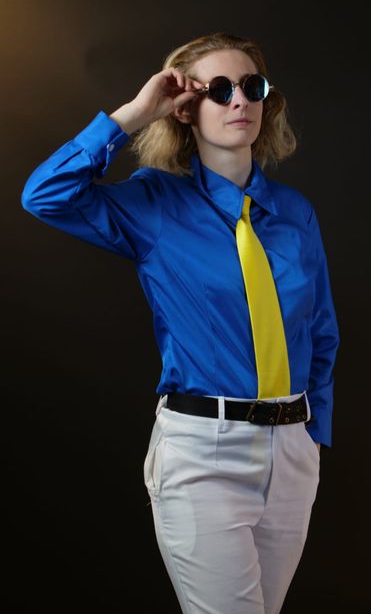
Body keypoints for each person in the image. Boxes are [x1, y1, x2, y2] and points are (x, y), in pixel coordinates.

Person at [20, 31, 340, 614]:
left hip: (293, 454)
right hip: (205, 456)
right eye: (219, 90)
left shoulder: (295, 212)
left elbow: (320, 329)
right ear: (187, 108)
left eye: (251, 86)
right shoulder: (155, 205)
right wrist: (133, 114)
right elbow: (45, 195)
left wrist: (310, 433)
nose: (239, 100)